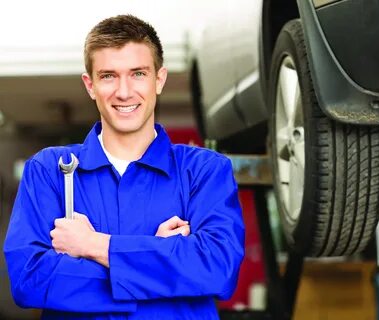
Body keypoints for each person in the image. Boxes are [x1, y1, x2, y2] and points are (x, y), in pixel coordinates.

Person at [3, 14, 245, 320]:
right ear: (90, 85)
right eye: (108, 76)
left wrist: (95, 245)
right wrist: (157, 261)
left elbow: (218, 269)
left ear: (159, 79)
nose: (124, 91)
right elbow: (30, 280)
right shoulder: (51, 170)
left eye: (138, 74)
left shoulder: (204, 171)